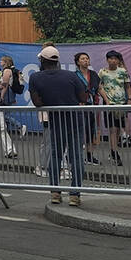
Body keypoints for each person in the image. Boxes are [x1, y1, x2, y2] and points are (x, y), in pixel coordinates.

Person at [28, 46, 88, 206]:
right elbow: (83, 96)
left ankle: (55, 192)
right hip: (75, 120)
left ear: (42, 60)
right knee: (76, 157)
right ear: (57, 60)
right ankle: (75, 195)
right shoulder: (71, 76)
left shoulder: (35, 78)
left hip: (55, 121)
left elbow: (37, 102)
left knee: (55, 156)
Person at [98, 50, 131, 167]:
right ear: (107, 60)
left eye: (115, 59)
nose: (112, 61)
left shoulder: (123, 72)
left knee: (118, 129)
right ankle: (114, 152)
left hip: (121, 103)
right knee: (112, 128)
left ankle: (113, 149)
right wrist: (106, 100)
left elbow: (128, 86)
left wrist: (129, 100)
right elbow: (99, 87)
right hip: (110, 104)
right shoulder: (102, 72)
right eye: (110, 58)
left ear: (118, 60)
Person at [73, 52, 101, 165]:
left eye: (87, 58)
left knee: (91, 130)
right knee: (78, 130)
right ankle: (76, 155)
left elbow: (99, 88)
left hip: (91, 105)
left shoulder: (93, 74)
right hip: (79, 106)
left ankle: (89, 156)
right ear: (78, 62)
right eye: (83, 59)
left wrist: (108, 102)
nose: (85, 60)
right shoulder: (74, 75)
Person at [0, 55, 26, 136]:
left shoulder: (6, 71)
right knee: (3, 114)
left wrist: (1, 95)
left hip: (7, 93)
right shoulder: (11, 70)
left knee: (2, 114)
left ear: (6, 62)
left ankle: (19, 126)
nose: (0, 62)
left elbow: (5, 85)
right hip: (10, 94)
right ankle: (5, 131)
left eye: (2, 60)